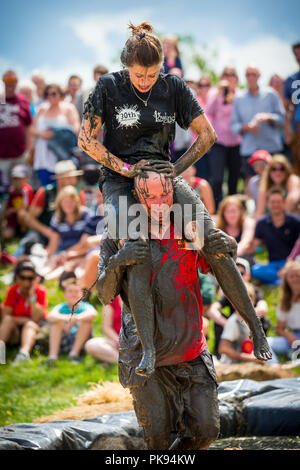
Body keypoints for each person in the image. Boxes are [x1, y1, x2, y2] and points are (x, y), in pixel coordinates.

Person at [79, 21, 271, 378]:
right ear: (126, 65)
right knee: (134, 249)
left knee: (212, 242)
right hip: (120, 180)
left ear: (162, 66)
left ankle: (256, 328)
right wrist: (125, 169)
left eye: (152, 74)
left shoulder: (174, 86)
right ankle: (149, 348)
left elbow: (207, 135)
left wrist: (174, 169)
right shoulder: (108, 86)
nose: (145, 81)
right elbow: (86, 141)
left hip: (164, 174)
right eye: (139, 74)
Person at [95, 169, 271, 450]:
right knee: (159, 439)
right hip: (143, 354)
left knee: (206, 430)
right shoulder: (117, 235)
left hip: (191, 349)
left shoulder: (187, 228)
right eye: (150, 197)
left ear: (174, 193)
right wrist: (119, 261)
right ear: (137, 199)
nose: (159, 203)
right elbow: (103, 295)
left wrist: (232, 246)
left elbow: (219, 266)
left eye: (164, 194)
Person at [231, 65, 285, 180]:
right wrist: (247, 127)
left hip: (271, 148)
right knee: (250, 185)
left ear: (259, 76)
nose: (251, 77)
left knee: (273, 184)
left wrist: (269, 117)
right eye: (248, 74)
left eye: (253, 74)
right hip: (249, 150)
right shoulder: (239, 98)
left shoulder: (271, 94)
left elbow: (282, 119)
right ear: (245, 76)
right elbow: (234, 125)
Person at [209, 257, 270, 358]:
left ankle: (261, 349)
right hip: (236, 324)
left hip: (250, 324)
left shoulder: (255, 290)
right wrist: (227, 323)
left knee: (263, 320)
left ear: (248, 275)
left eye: (240, 273)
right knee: (219, 322)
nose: (237, 276)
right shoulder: (229, 291)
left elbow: (263, 308)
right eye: (233, 273)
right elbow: (213, 309)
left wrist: (246, 319)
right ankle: (219, 355)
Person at [29, 83, 80, 186]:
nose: (50, 96)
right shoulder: (42, 108)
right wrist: (42, 134)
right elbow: (32, 129)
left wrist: (57, 134)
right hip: (43, 153)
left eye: (53, 93)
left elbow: (76, 128)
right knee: (46, 187)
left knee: (63, 186)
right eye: (47, 94)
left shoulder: (68, 108)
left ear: (60, 94)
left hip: (62, 153)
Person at [206, 67, 242, 207]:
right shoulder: (214, 93)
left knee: (234, 179)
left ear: (237, 78)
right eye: (226, 74)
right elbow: (207, 111)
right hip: (218, 143)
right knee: (217, 179)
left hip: (236, 143)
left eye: (232, 74)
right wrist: (219, 93)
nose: (229, 77)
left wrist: (233, 98)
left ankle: (234, 209)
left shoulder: (240, 95)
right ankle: (216, 208)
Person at [0, 260, 47, 364]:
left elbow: (36, 319)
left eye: (30, 278)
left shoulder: (40, 291)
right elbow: (5, 316)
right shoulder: (13, 291)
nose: (26, 283)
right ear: (17, 277)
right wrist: (24, 320)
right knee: (8, 320)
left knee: (30, 324)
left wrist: (32, 297)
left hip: (32, 332)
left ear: (35, 279)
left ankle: (23, 354)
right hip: (14, 333)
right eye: (23, 278)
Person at [252, 187, 300, 286]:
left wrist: (289, 265)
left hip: (293, 263)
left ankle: (278, 280)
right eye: (273, 202)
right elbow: (255, 246)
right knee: (255, 270)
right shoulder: (262, 223)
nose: (276, 205)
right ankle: (282, 281)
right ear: (267, 204)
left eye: (278, 202)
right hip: (273, 265)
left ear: (284, 202)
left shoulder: (295, 221)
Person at [42, 185, 92, 280]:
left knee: (65, 266)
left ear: (77, 201)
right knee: (52, 261)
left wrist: (66, 254)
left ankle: (46, 279)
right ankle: (39, 276)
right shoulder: (57, 218)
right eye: (65, 201)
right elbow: (54, 243)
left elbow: (84, 244)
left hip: (81, 252)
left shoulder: (86, 215)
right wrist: (52, 257)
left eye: (71, 201)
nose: (68, 204)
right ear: (60, 203)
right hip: (63, 251)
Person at [46, 272, 96, 363]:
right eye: (70, 291)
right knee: (56, 323)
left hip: (81, 341)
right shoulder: (61, 307)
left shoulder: (85, 306)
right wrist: (68, 318)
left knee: (87, 322)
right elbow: (50, 316)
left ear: (82, 294)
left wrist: (76, 318)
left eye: (76, 291)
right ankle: (52, 356)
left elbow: (93, 313)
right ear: (64, 294)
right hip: (65, 338)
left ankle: (74, 354)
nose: (73, 294)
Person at [218, 282, 265, 365]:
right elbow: (223, 349)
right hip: (233, 366)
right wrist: (251, 358)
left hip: (247, 365)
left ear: (253, 301)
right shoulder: (233, 322)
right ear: (232, 302)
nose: (244, 304)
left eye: (248, 300)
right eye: (239, 300)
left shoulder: (253, 321)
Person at [0, 70, 32, 180]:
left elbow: (28, 127)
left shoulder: (23, 100)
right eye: (7, 80)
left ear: (17, 82)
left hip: (20, 155)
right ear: (3, 81)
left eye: (13, 80)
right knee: (3, 190)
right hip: (2, 156)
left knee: (22, 188)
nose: (10, 83)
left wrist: (28, 150)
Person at [267, 261, 300, 364]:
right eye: (291, 276)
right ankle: (276, 368)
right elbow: (279, 329)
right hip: (293, 337)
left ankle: (293, 365)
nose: (294, 279)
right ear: (286, 279)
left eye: (297, 276)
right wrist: (288, 335)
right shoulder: (284, 302)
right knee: (264, 343)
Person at [255, 154, 300, 220]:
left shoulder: (292, 180)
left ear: (286, 170)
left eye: (282, 169)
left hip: (290, 222)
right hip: (270, 224)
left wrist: (278, 218)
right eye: (274, 169)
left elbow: (293, 199)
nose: (278, 172)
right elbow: (260, 212)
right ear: (269, 171)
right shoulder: (265, 185)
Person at [215, 195, 255, 264]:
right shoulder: (218, 226)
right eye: (228, 212)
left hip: (244, 259)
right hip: (225, 261)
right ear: (223, 213)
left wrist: (231, 256)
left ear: (240, 211)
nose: (231, 215)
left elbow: (245, 242)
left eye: (234, 211)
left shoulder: (248, 222)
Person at [85, 296, 121, 364]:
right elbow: (107, 327)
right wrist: (119, 342)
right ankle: (122, 361)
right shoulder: (111, 300)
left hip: (137, 342)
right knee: (91, 345)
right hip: (117, 341)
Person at [2, 164, 34, 240]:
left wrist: (12, 210)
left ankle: (24, 233)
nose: (18, 181)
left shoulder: (27, 190)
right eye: (15, 179)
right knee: (6, 235)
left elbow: (26, 207)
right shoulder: (11, 191)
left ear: (26, 178)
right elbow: (7, 207)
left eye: (20, 179)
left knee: (21, 213)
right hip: (13, 220)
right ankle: (13, 232)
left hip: (24, 218)